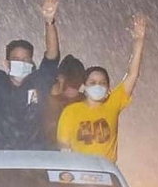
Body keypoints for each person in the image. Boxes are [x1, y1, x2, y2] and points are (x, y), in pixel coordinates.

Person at [0, 0, 61, 150]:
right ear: (6, 63)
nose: (21, 62)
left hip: (35, 156)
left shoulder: (39, 81)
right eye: (16, 59)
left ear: (32, 62)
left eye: (25, 59)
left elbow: (52, 56)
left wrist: (49, 21)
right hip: (2, 156)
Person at [57, 14, 147, 163]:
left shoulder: (112, 104)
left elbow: (132, 75)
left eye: (102, 83)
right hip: (80, 172)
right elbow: (63, 145)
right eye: (92, 82)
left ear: (108, 88)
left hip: (106, 173)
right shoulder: (70, 112)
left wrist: (139, 41)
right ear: (84, 87)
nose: (97, 85)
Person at [43, 55, 86, 149]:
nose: (71, 88)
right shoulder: (48, 101)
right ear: (59, 79)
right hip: (51, 152)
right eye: (68, 82)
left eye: (76, 83)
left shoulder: (86, 102)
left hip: (79, 153)